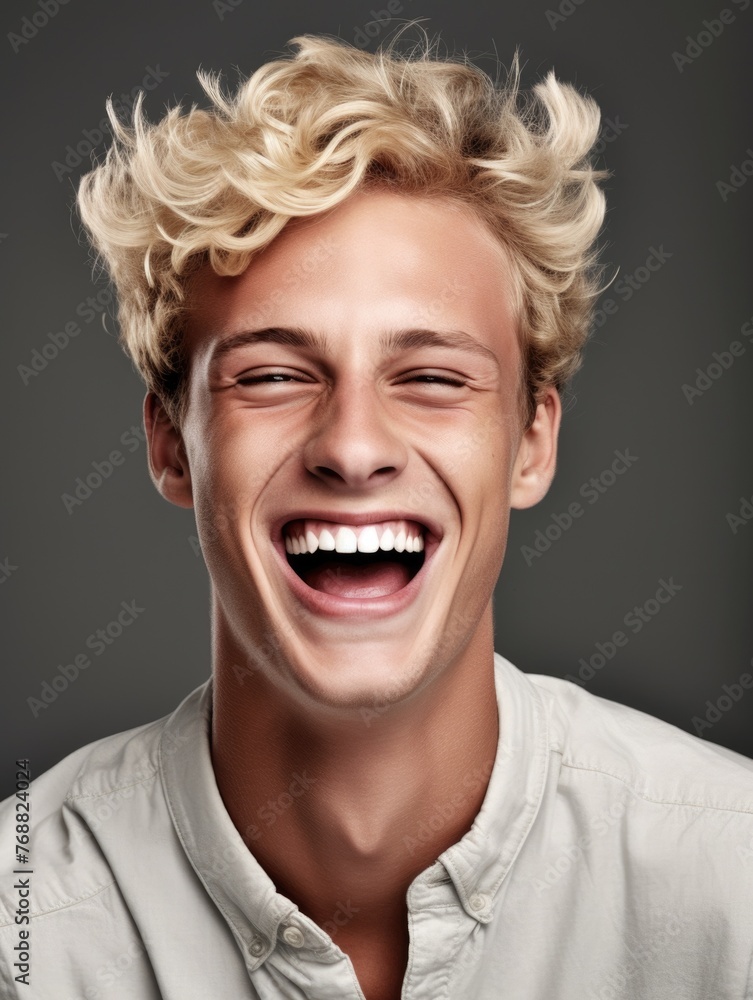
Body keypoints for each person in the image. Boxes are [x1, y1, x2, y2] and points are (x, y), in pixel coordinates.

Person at [1, 28, 752, 1000]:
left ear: (532, 440)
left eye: (433, 376)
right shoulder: (25, 923)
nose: (353, 447)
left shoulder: (732, 881)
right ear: (171, 445)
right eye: (272, 375)